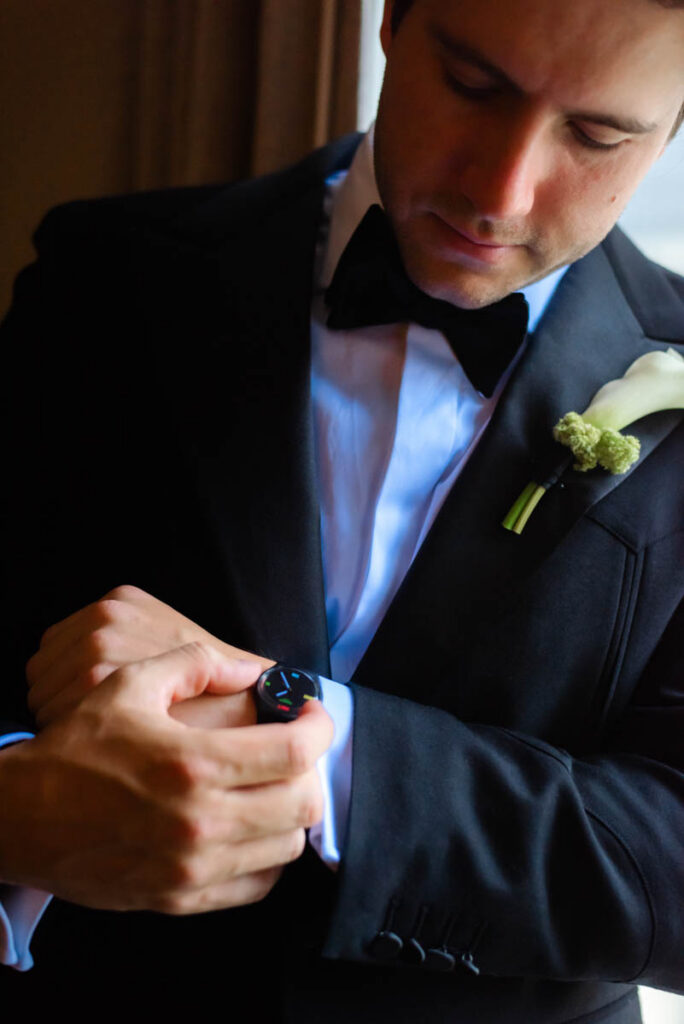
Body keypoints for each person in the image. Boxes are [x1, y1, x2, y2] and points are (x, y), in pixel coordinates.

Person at [1, 0, 683, 1019]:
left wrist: (304, 726)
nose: (502, 190)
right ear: (393, 24)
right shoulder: (109, 273)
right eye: (471, 84)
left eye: (595, 135)